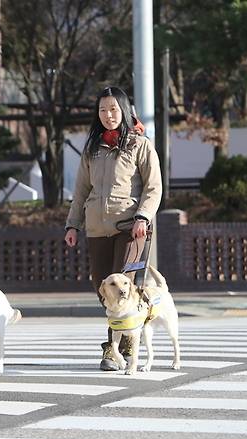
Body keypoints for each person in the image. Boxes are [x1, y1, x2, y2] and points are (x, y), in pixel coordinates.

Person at [64, 86, 162, 371]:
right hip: (96, 227)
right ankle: (123, 339)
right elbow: (81, 190)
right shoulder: (92, 147)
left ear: (125, 111)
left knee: (124, 286)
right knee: (102, 287)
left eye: (114, 110)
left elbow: (153, 187)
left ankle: (116, 348)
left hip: (130, 226)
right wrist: (73, 224)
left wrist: (143, 217)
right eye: (103, 110)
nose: (109, 115)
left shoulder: (139, 144)